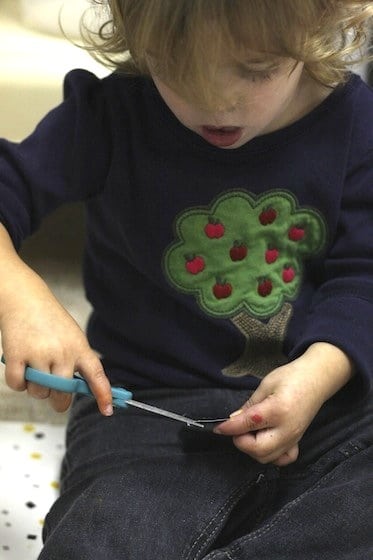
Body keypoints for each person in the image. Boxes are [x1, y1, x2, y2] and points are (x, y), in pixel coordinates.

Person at [0, 0, 372, 558]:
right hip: (144, 410)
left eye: (256, 70)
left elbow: (365, 275)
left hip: (324, 407)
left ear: (322, 22)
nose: (217, 102)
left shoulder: (355, 124)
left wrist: (320, 372)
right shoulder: (109, 114)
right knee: (103, 537)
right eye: (177, 67)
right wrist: (17, 293)